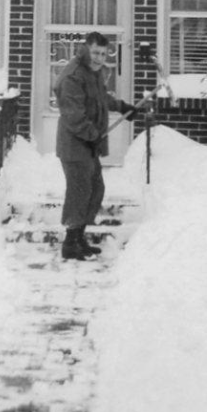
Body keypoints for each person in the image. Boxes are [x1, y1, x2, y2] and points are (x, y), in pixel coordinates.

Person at [54, 31, 136, 261]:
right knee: (79, 192)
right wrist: (93, 135)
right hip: (75, 144)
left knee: (94, 190)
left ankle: (79, 237)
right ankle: (70, 243)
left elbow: (101, 98)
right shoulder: (72, 76)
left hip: (88, 144)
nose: (100, 58)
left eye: (103, 53)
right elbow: (73, 116)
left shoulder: (93, 73)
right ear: (85, 50)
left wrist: (122, 107)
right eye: (95, 53)